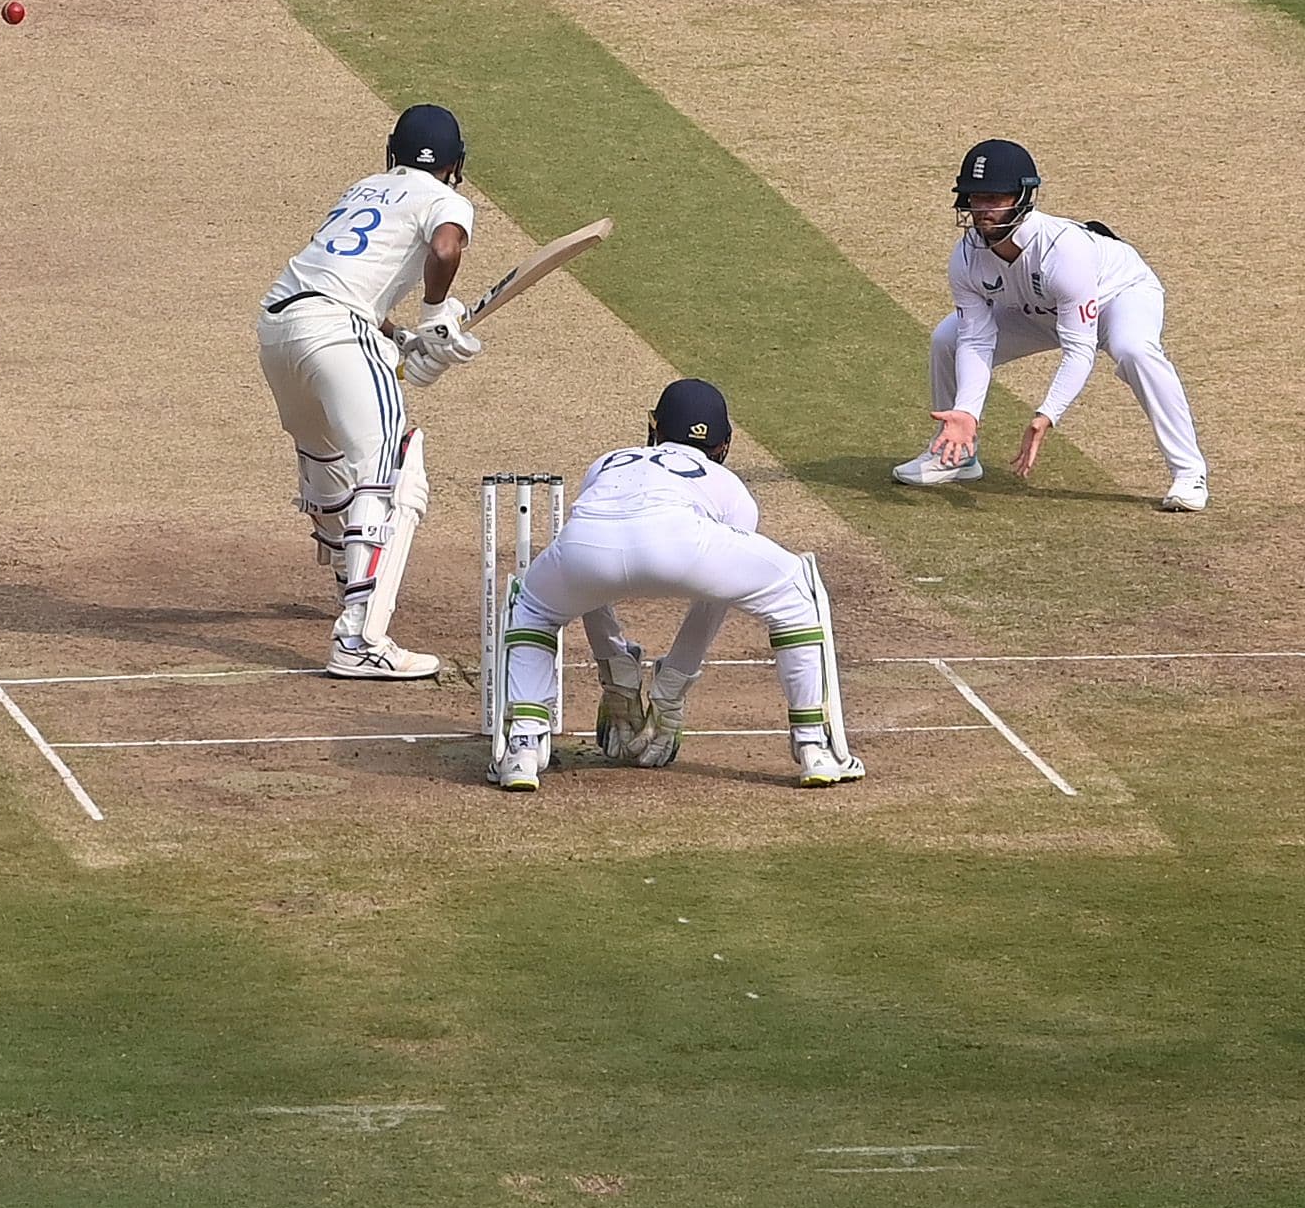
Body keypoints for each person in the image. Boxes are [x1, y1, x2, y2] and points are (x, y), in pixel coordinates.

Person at [490, 379, 861, 793]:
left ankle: (523, 747)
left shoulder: (609, 462)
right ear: (724, 445)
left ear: (654, 428)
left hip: (585, 546)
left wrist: (614, 669)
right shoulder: (731, 487)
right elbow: (717, 596)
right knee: (796, 591)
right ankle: (815, 748)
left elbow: (594, 576)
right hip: (682, 541)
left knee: (534, 608)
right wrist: (673, 688)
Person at [256, 104, 480, 677]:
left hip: (281, 328)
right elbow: (446, 249)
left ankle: (347, 582)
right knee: (395, 473)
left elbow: (339, 284)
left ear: (390, 152)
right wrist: (433, 314)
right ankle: (359, 638)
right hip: (337, 331)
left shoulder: (364, 190)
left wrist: (402, 337)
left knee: (327, 460)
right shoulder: (447, 201)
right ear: (456, 164)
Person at [889, 139, 1211, 513]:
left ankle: (1189, 473)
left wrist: (1047, 415)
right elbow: (976, 340)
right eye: (975, 198)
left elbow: (1080, 349)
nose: (982, 211)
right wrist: (967, 411)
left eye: (994, 199)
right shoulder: (965, 257)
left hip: (1117, 298)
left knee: (1133, 350)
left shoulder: (1064, 251)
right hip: (1037, 308)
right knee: (948, 338)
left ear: (1023, 197)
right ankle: (957, 451)